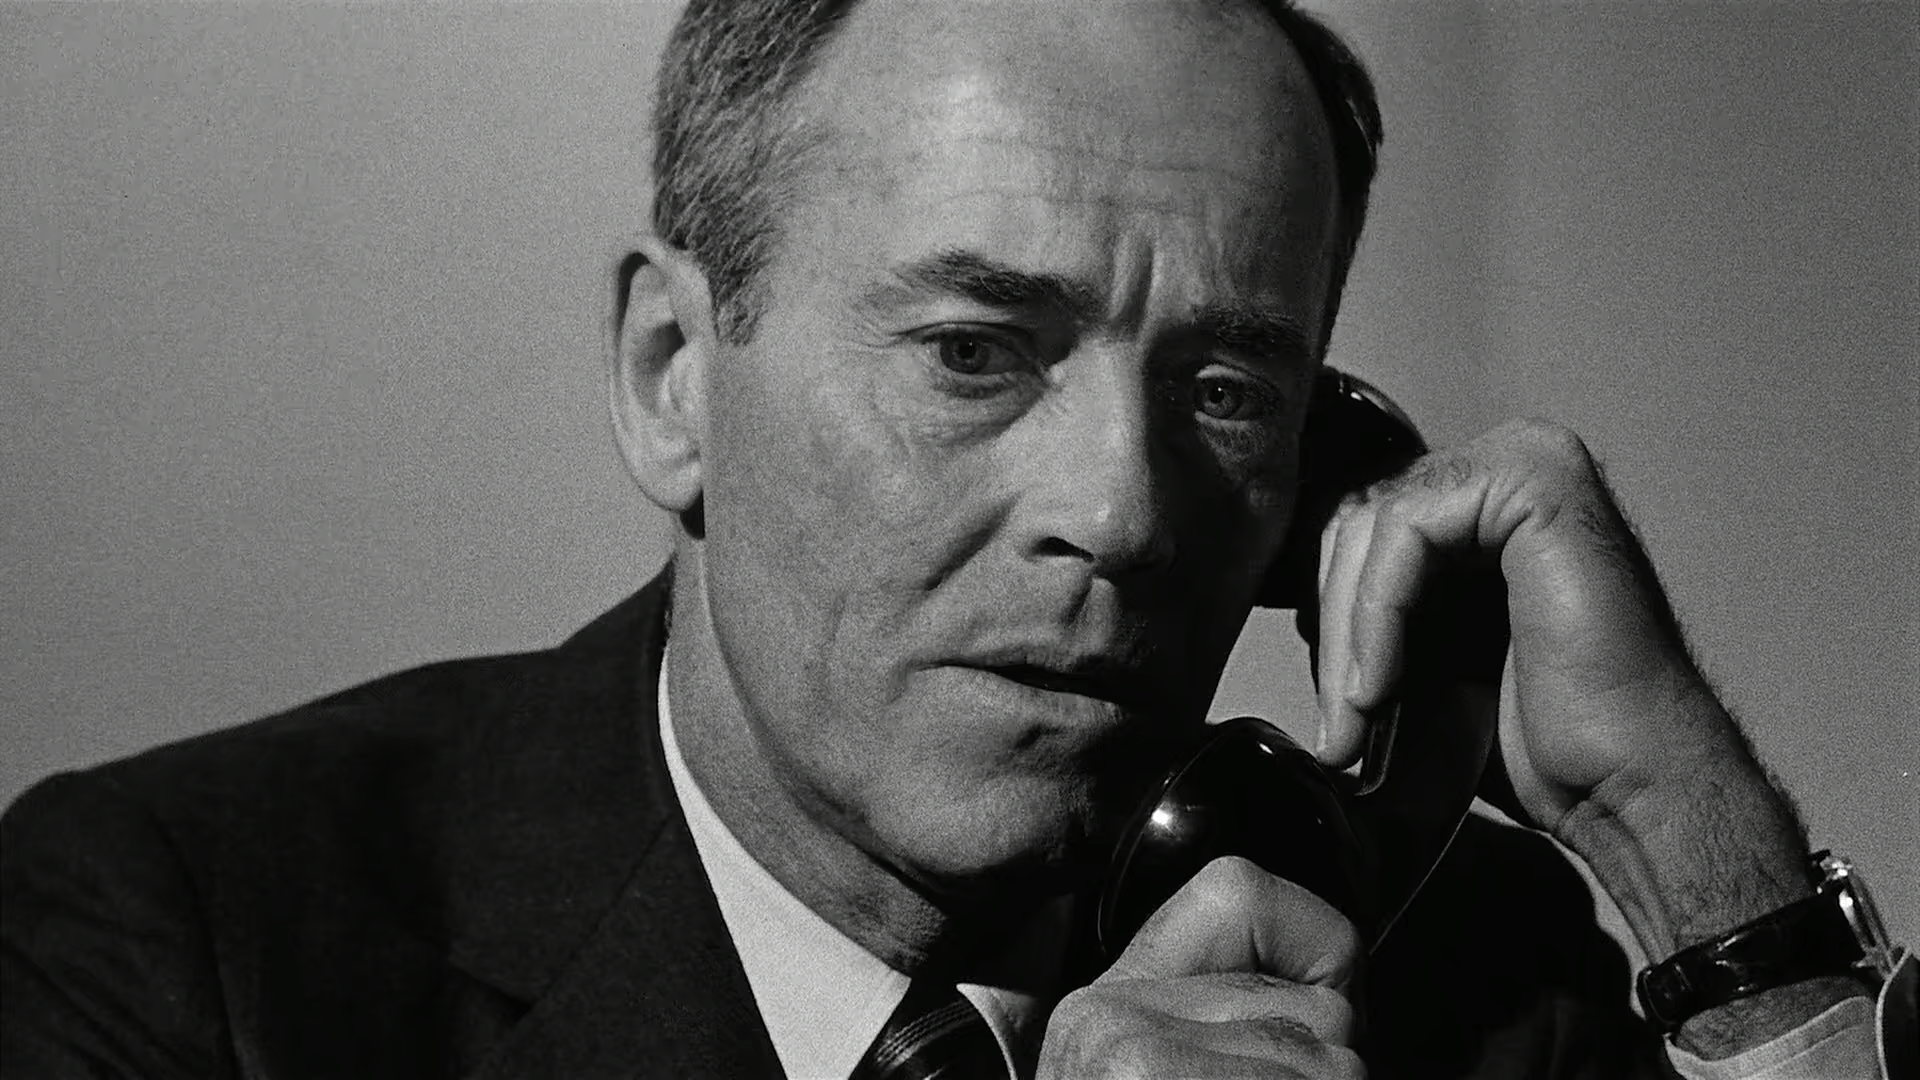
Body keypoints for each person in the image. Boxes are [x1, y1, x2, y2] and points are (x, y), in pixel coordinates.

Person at [2, 0, 1902, 1077]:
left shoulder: (1479, 996)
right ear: (674, 377)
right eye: (975, 353)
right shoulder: (171, 947)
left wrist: (1687, 854)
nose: (1122, 513)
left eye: (1228, 391)